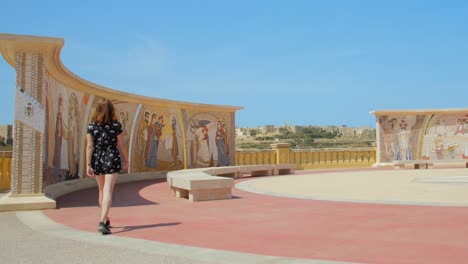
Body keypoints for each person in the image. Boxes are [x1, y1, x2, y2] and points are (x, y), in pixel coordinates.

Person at [86, 99, 129, 235]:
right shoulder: (116, 125)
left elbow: (89, 146)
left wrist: (88, 164)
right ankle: (103, 221)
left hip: (97, 158)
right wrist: (126, 158)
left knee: (101, 189)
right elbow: (121, 144)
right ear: (111, 111)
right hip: (111, 156)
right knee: (108, 189)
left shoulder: (91, 126)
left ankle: (105, 218)